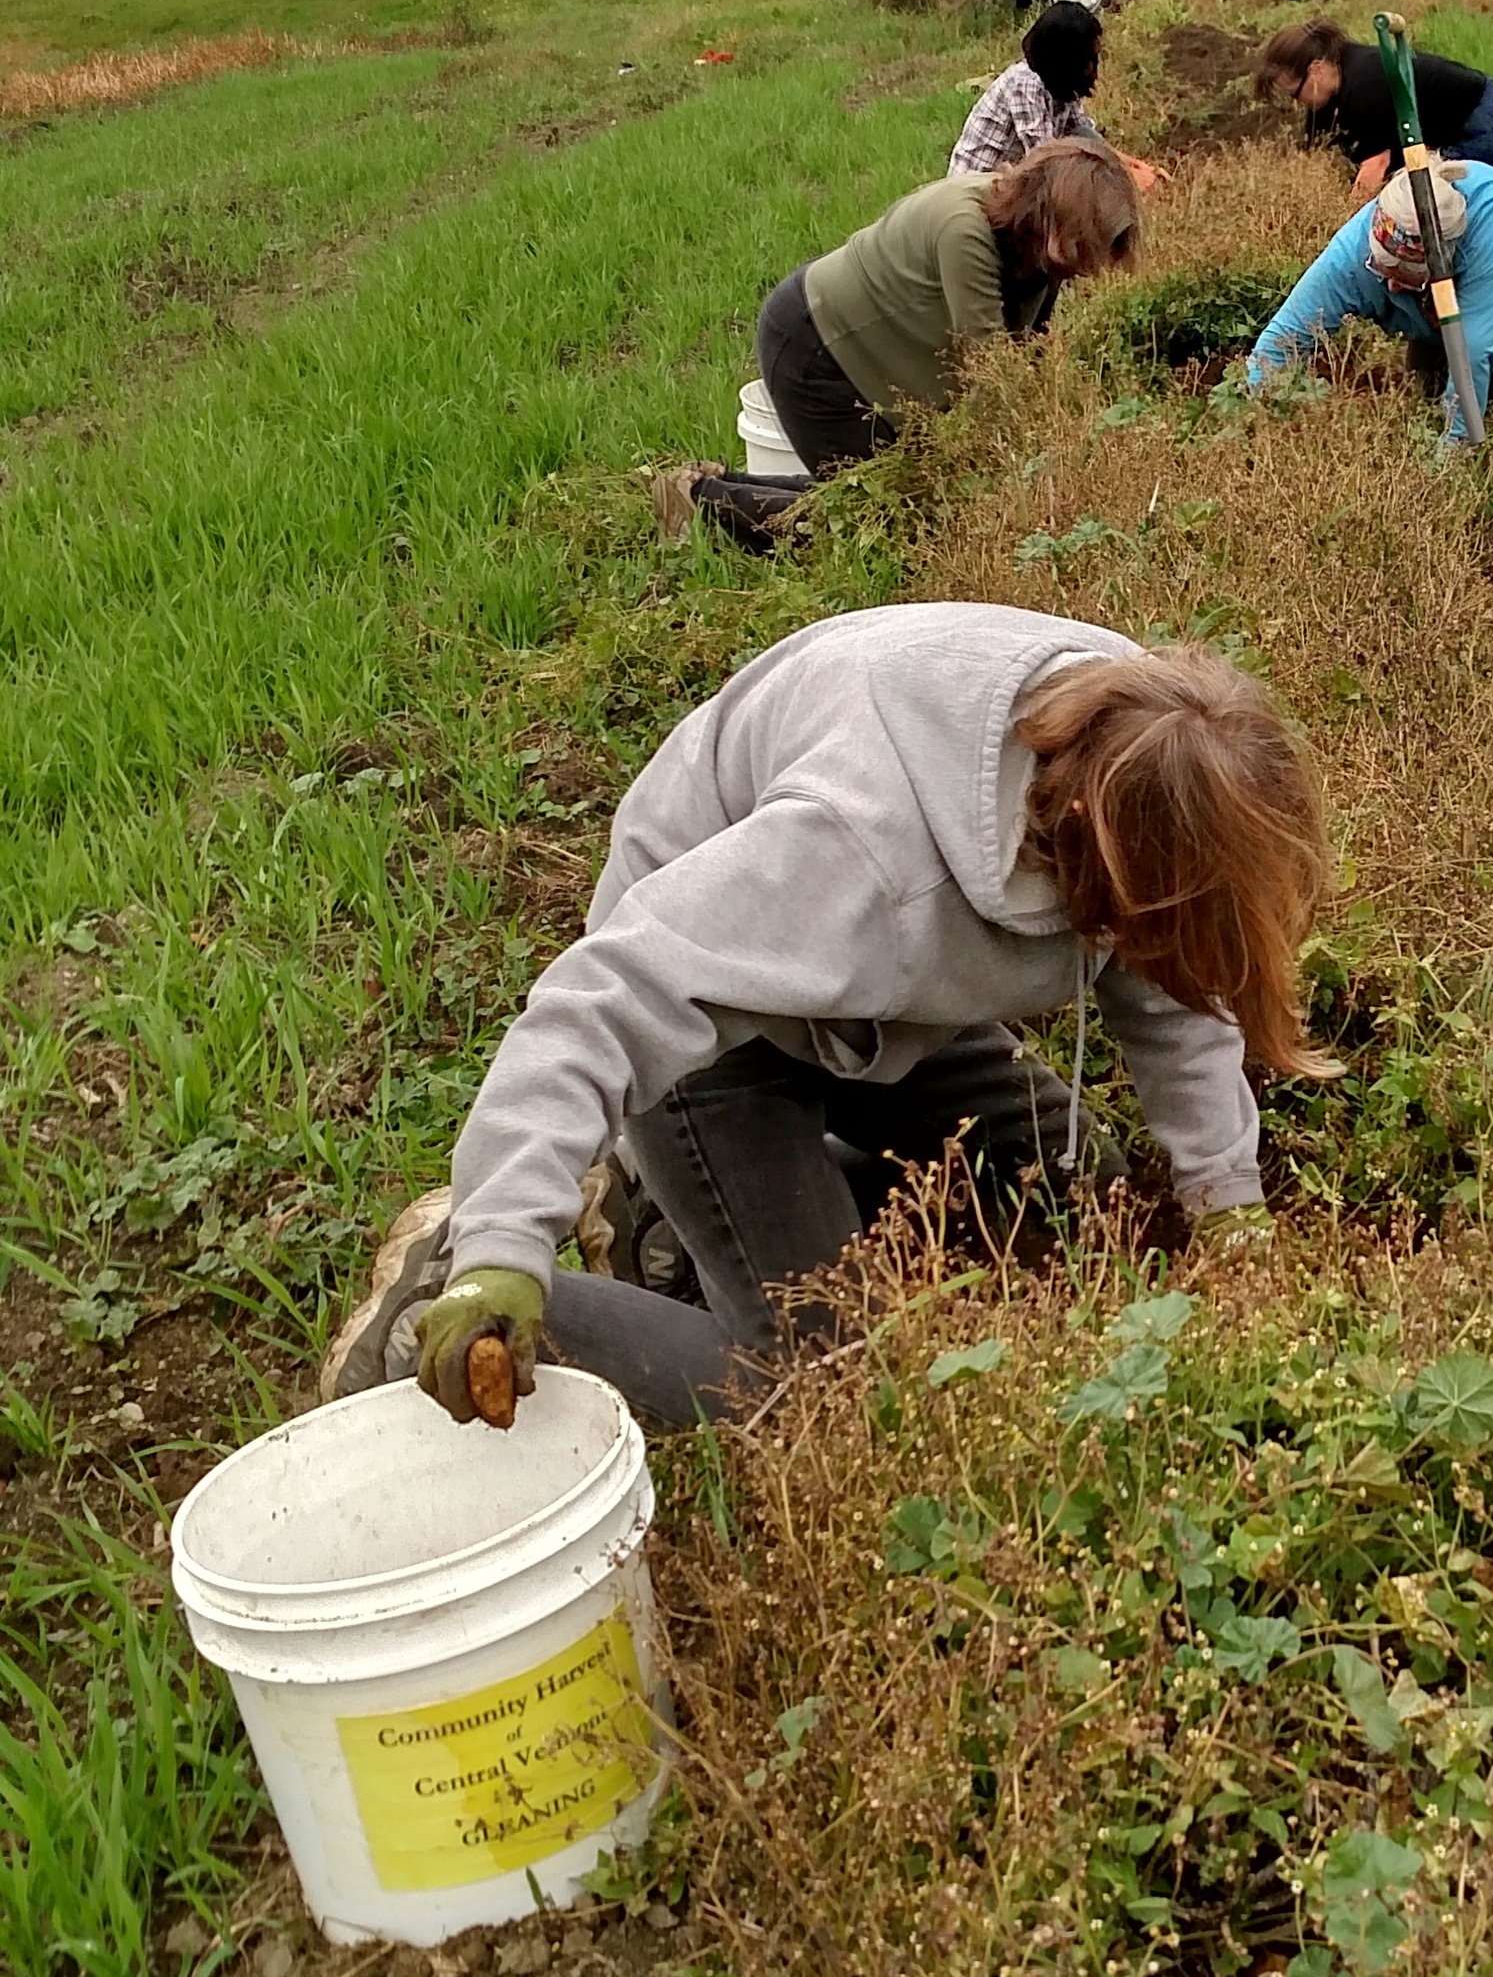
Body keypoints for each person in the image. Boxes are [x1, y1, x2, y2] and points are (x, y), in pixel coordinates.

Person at [321, 608, 1330, 1435]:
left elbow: (1175, 986)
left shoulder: (1141, 743)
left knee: (1077, 1202)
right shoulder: (855, 852)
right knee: (825, 1391)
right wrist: (507, 1230)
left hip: (880, 1002)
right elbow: (600, 1001)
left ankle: (663, 1226)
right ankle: (445, 1288)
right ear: (1087, 849)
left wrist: (1226, 1200)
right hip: (715, 1035)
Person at [753, 141, 1139, 475]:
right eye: (1085, 252)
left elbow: (1030, 353)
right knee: (871, 511)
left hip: (873, 349)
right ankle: (705, 499)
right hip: (815, 344)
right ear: (1058, 226)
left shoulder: (1039, 251)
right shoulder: (964, 230)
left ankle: (706, 489)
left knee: (898, 496)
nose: (1087, 272)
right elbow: (992, 375)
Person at [1245, 154, 1493, 434]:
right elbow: (1283, 337)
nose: (1389, 287)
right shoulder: (1352, 254)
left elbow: (1473, 357)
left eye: (1403, 277)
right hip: (1450, 301)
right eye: (1381, 270)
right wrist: (1250, 416)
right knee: (1429, 397)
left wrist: (1448, 464)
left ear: (1445, 261)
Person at [1256, 18, 1493, 200]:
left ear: (1315, 69)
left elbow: (1374, 167)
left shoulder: (1363, 86)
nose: (1297, 102)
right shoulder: (1330, 86)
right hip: (1456, 123)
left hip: (1483, 125)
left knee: (1435, 201)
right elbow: (1314, 155)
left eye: (1295, 92)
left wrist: (1339, 225)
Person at [949, 3, 1108, 177]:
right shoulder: (1026, 84)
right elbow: (1044, 157)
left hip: (1008, 178)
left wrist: (1121, 165)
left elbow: (1081, 129)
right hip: (977, 185)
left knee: (1088, 141)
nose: (1093, 63)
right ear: (1069, 57)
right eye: (1089, 56)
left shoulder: (1062, 82)